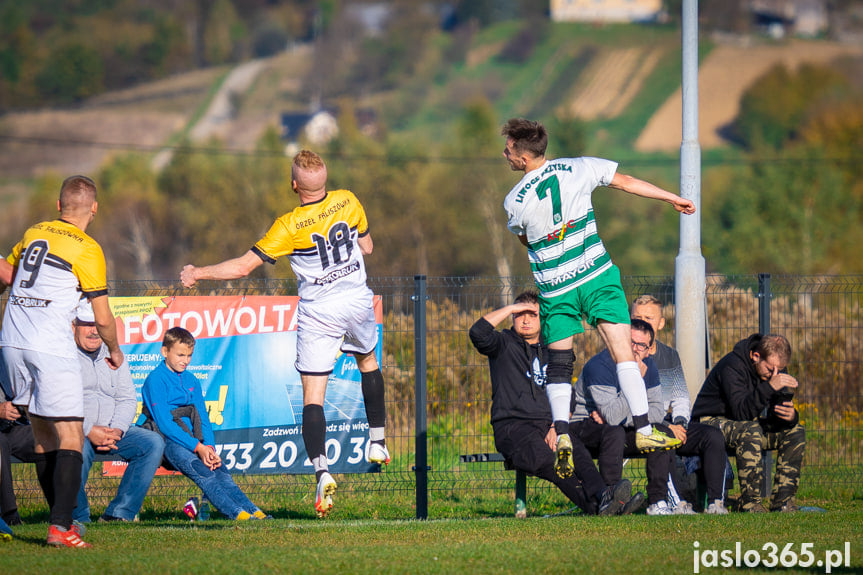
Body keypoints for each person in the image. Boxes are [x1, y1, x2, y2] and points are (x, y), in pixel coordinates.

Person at [179, 150, 389, 518]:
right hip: (356, 300)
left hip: (320, 310)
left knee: (313, 396)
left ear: (294, 186)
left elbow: (244, 267)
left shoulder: (289, 225)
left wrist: (198, 272)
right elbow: (368, 246)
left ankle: (322, 471)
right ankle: (378, 441)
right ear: (325, 179)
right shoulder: (348, 200)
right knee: (368, 362)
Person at [500, 118, 690, 477]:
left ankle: (563, 432)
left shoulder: (513, 200)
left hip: (556, 285)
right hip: (596, 275)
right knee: (623, 353)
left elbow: (525, 239)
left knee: (559, 363)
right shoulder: (581, 166)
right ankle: (646, 430)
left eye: (508, 150)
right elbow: (627, 183)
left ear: (524, 158)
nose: (505, 154)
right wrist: (671, 197)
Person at [0, 175, 124, 548]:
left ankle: (62, 522)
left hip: (12, 341)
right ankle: (60, 527)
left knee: (43, 438)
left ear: (58, 206)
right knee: (70, 433)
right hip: (49, 345)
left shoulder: (34, 231)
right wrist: (114, 349)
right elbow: (102, 317)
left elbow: (8, 274)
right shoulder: (88, 248)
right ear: (94, 209)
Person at [469, 291, 637, 517]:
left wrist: (556, 428)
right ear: (513, 318)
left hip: (548, 426)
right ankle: (598, 509)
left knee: (577, 454)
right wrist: (510, 308)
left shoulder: (553, 350)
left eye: (532, 314)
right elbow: (477, 332)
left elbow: (567, 394)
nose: (526, 319)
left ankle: (606, 499)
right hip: (514, 429)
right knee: (554, 463)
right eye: (520, 315)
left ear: (543, 317)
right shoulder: (503, 344)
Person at [140, 327, 269, 521]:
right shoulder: (155, 380)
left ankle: (255, 512)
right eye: (180, 355)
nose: (185, 360)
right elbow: (165, 424)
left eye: (189, 355)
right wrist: (197, 447)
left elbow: (203, 417)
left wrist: (209, 448)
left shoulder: (191, 379)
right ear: (164, 352)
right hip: (170, 442)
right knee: (205, 474)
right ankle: (238, 515)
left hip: (196, 442)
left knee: (222, 473)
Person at [573, 319, 691, 515]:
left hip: (616, 424)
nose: (635, 350)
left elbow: (655, 413)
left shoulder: (649, 367)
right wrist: (635, 379)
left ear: (649, 349)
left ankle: (657, 502)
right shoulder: (600, 365)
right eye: (631, 343)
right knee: (615, 431)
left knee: (660, 430)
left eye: (641, 345)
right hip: (583, 425)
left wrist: (626, 414)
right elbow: (612, 417)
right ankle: (612, 496)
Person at [630, 295, 729, 514]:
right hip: (642, 424)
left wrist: (681, 423)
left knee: (712, 435)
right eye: (637, 317)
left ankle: (716, 502)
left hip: (671, 423)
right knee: (663, 437)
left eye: (649, 317)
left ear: (661, 323)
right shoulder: (624, 355)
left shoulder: (670, 355)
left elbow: (681, 397)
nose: (644, 321)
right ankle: (679, 504)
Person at [72, 299, 165, 524]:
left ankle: (120, 513)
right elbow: (57, 404)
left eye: (100, 326)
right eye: (87, 324)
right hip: (76, 430)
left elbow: (127, 399)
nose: (94, 331)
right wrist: (89, 430)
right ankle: (77, 516)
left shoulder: (114, 353)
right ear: (73, 326)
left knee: (153, 443)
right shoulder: (62, 356)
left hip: (112, 431)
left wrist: (117, 430)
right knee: (75, 447)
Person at [691, 333, 805, 513]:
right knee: (750, 430)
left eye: (780, 370)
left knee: (795, 431)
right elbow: (741, 412)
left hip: (744, 423)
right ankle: (751, 504)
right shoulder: (732, 366)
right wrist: (770, 387)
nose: (775, 375)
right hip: (709, 423)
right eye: (770, 369)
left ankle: (783, 502)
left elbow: (772, 415)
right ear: (756, 356)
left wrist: (790, 417)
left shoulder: (773, 372)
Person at [0, 350, 39, 526]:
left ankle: (64, 515)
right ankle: (10, 515)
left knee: (51, 440)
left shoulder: (12, 356)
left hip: (17, 427)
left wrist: (22, 407)